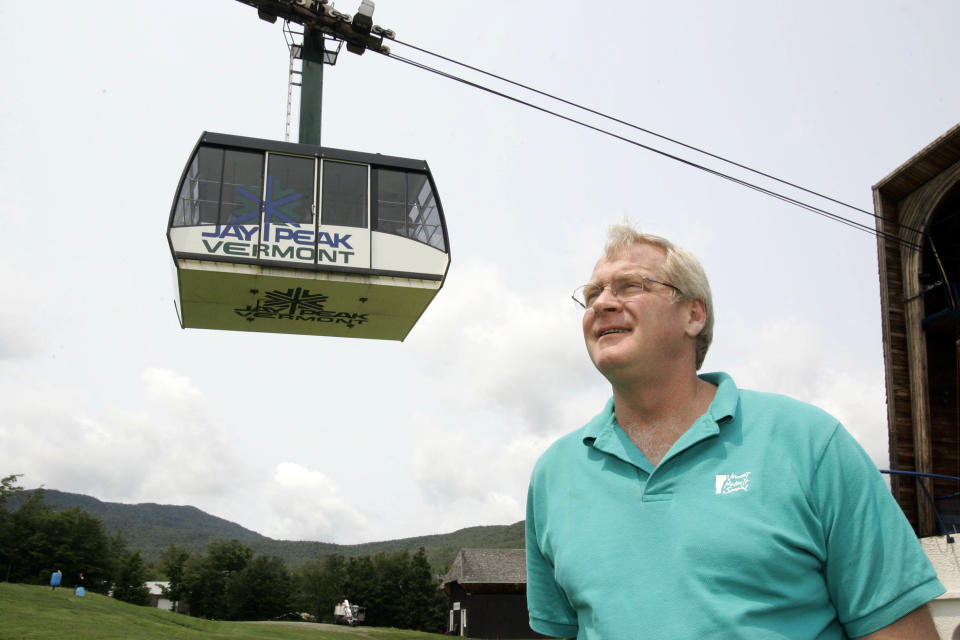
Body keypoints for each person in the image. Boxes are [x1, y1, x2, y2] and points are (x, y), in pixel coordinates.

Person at [525, 225, 945, 639]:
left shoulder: (809, 443)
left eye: (630, 285)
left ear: (693, 314)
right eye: (592, 293)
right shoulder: (554, 475)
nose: (602, 303)